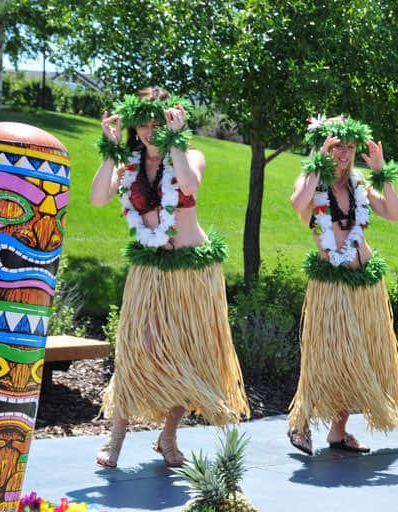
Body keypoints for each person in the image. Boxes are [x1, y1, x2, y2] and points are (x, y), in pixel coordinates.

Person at [90, 87, 248, 468]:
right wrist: (110, 149)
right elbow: (97, 198)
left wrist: (175, 140)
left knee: (187, 355)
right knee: (137, 351)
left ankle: (169, 436)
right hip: (150, 271)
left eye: (156, 124)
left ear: (173, 123)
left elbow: (189, 185)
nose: (148, 132)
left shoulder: (190, 155)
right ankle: (116, 439)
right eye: (141, 125)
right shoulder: (128, 164)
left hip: (194, 272)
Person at [287, 116, 398, 455]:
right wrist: (318, 159)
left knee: (358, 357)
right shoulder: (313, 183)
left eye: (349, 147)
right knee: (326, 355)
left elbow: (395, 212)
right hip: (331, 285)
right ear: (325, 146)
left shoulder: (359, 183)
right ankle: (301, 423)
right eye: (336, 146)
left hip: (365, 283)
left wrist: (382, 170)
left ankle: (337, 433)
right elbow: (297, 204)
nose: (343, 153)